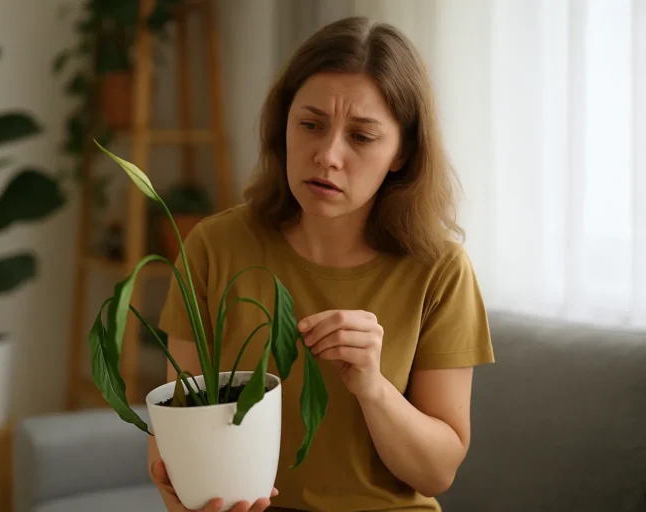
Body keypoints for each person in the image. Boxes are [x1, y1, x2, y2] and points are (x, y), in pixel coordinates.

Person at [148, 15, 495, 512]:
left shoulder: (440, 270)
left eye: (362, 137)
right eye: (310, 125)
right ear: (282, 126)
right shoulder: (213, 246)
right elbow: (172, 430)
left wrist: (373, 387)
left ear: (402, 153)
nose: (327, 155)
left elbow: (436, 472)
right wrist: (181, 492)